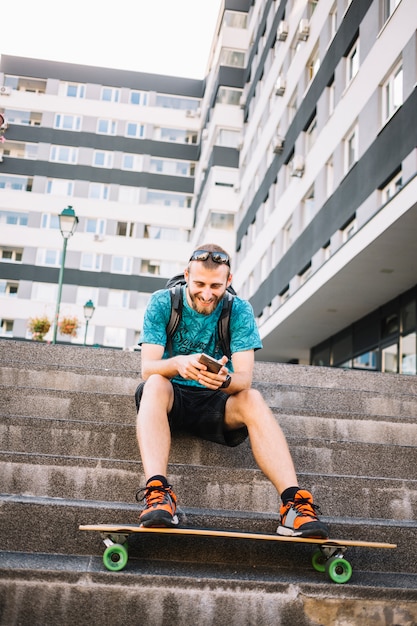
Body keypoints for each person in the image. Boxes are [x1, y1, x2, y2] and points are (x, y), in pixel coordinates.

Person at [135, 244, 329, 538]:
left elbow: (244, 379)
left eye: (215, 285)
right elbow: (147, 367)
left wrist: (225, 381)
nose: (207, 293)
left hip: (216, 401)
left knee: (252, 398)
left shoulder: (239, 310)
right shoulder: (163, 303)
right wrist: (177, 363)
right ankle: (158, 494)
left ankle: (294, 506)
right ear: (187, 275)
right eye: (199, 283)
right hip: (170, 397)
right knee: (154, 383)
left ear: (228, 281)